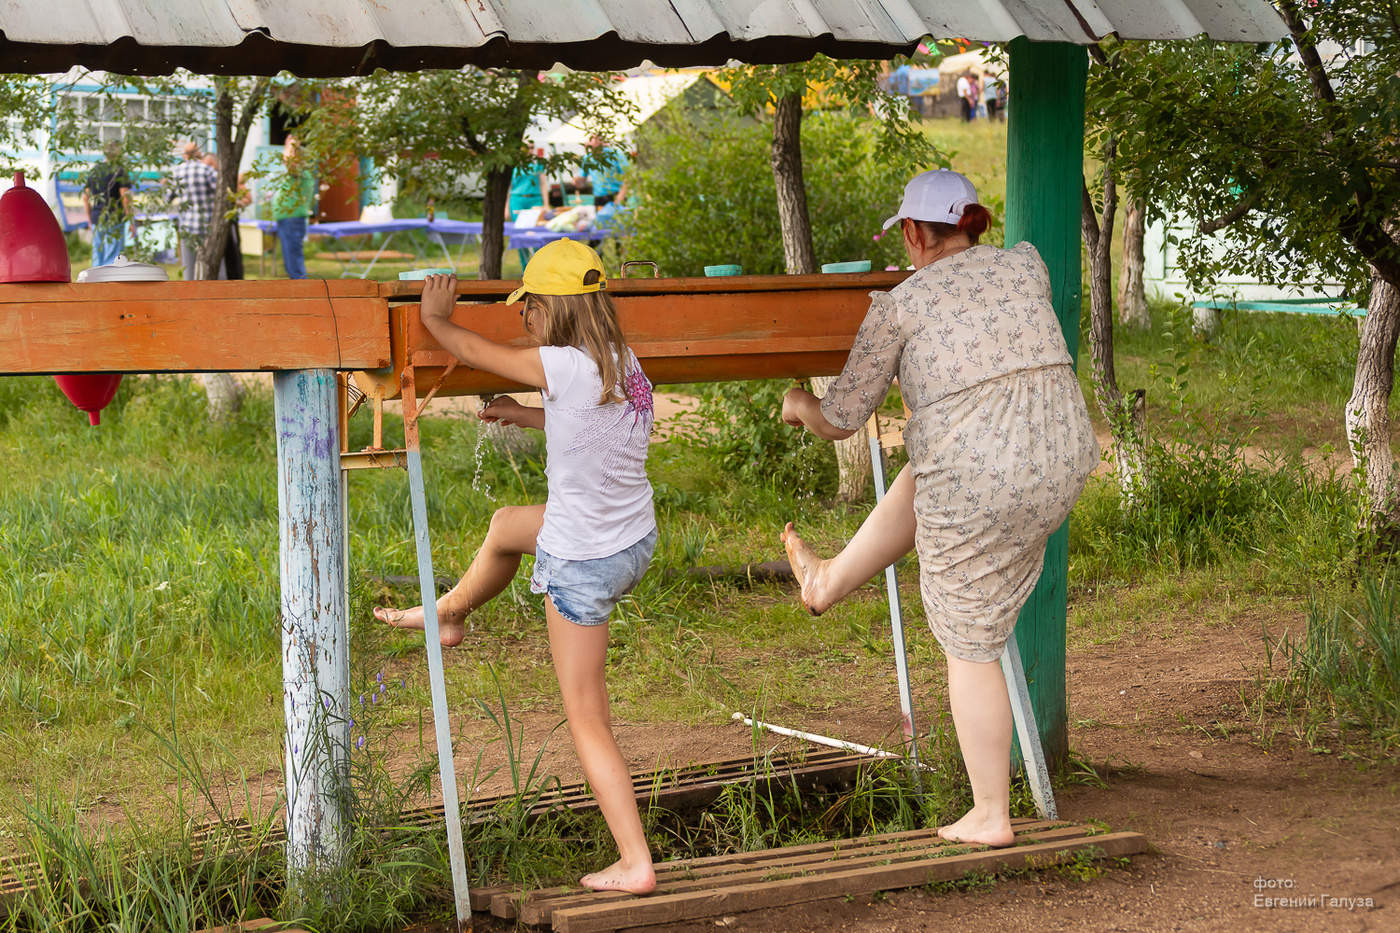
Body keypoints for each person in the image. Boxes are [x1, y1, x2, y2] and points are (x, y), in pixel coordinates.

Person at [778, 169, 1099, 848]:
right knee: (931, 474)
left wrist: (800, 406)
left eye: (907, 237)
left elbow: (842, 416)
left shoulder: (902, 303)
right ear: (972, 225)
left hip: (990, 470)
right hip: (1063, 448)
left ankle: (990, 812)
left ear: (917, 233)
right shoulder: (1025, 267)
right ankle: (828, 580)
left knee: (969, 635)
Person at [372, 240, 659, 894]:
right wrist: (522, 414)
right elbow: (595, 422)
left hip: (583, 558)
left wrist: (439, 320)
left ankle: (634, 859)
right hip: (631, 541)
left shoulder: (557, 361)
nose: (523, 316)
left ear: (548, 308)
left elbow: (478, 353)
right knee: (506, 526)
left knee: (587, 714)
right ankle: (448, 613)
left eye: (527, 306)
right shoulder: (622, 361)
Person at [170, 141, 222, 280]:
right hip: (208, 227)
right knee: (214, 266)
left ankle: (191, 296)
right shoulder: (207, 170)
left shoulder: (176, 172)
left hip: (187, 227)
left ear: (185, 155)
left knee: (189, 268)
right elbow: (221, 194)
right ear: (198, 153)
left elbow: (168, 196)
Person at [270, 134, 316, 280]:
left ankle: (304, 296)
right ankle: (300, 295)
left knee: (294, 265)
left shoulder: (300, 172)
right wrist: (288, 146)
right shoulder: (300, 173)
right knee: (291, 263)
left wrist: (291, 145)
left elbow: (290, 163)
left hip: (292, 220)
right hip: (289, 220)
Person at [83, 140, 135, 268]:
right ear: (117, 154)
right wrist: (131, 221)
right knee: (113, 256)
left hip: (97, 218)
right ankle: (109, 284)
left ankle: (95, 284)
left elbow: (85, 197)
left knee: (97, 254)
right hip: (114, 218)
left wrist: (89, 219)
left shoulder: (94, 171)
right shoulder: (120, 172)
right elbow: (125, 198)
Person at [202, 152, 248, 280]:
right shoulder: (211, 177)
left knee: (233, 253)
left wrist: (237, 203)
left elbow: (243, 199)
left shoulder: (222, 178)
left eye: (208, 165)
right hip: (216, 221)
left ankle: (235, 279)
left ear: (213, 163)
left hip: (228, 221)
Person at [579, 136, 630, 209]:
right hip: (599, 199)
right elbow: (581, 182)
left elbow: (628, 177)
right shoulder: (587, 158)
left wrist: (620, 196)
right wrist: (576, 181)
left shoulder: (616, 154)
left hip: (616, 196)